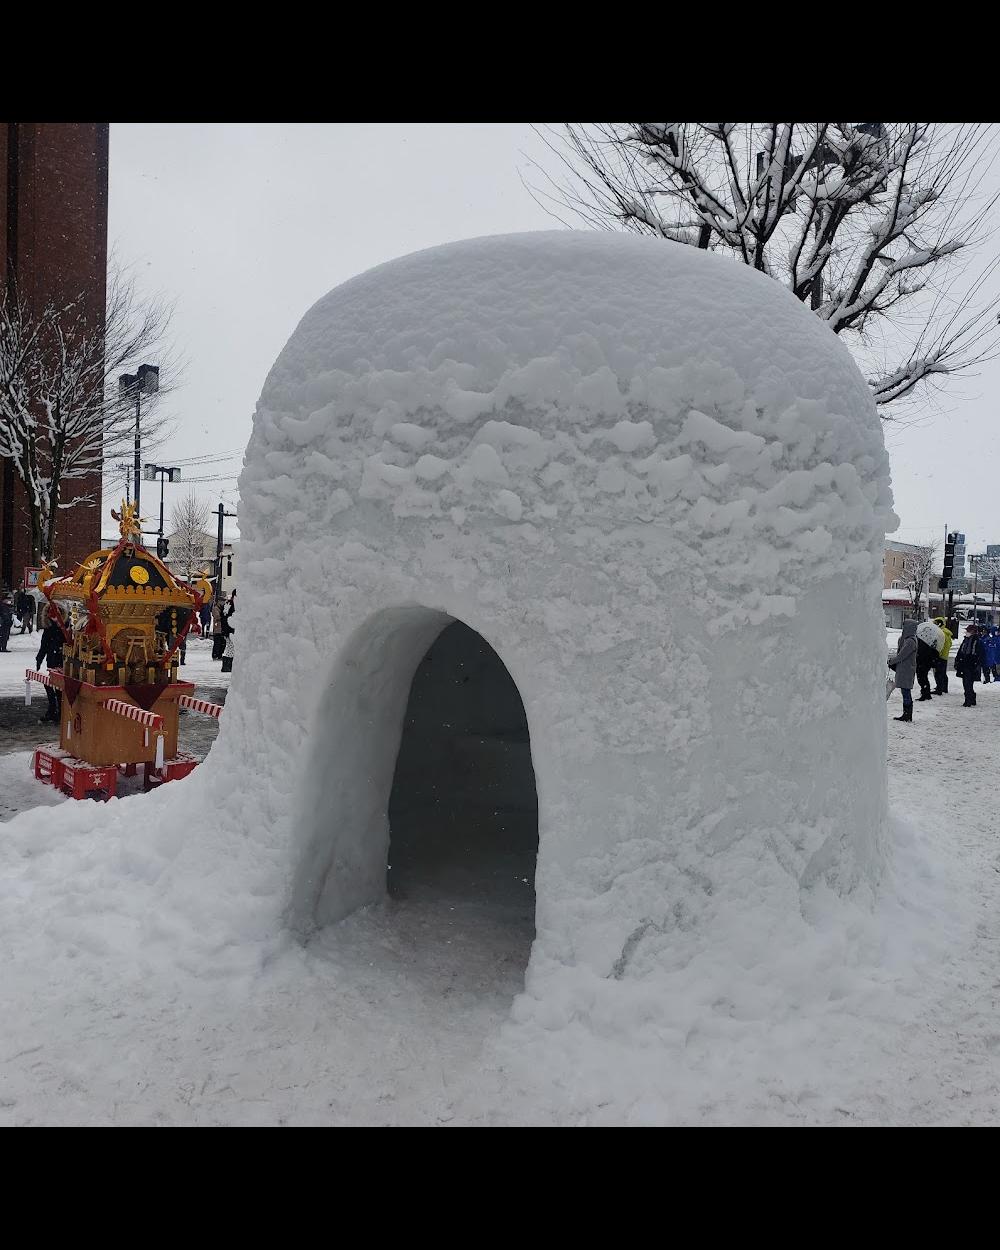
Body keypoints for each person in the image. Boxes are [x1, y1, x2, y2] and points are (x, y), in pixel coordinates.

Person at [35, 608, 66, 724]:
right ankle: (52, 709)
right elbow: (44, 646)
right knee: (49, 684)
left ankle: (60, 712)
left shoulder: (65, 627)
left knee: (59, 688)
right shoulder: (49, 628)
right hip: (52, 660)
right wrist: (39, 659)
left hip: (62, 660)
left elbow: (69, 642)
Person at [888, 619, 918, 722]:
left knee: (906, 691)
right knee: (904, 691)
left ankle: (907, 715)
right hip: (904, 669)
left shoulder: (910, 641)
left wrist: (891, 661)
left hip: (907, 670)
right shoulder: (906, 639)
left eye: (905, 626)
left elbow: (901, 655)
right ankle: (906, 714)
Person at [954, 623, 988, 708]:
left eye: (968, 631)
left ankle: (968, 700)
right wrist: (957, 661)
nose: (966, 632)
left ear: (973, 632)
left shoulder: (977, 641)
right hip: (964, 664)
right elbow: (960, 652)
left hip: (971, 665)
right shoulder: (966, 640)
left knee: (968, 683)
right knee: (966, 683)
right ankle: (971, 698)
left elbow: (980, 654)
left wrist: (976, 664)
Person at [915, 620, 942, 702]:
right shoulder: (929, 642)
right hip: (925, 663)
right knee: (923, 678)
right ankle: (926, 693)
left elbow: (922, 653)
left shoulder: (924, 642)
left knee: (922, 678)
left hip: (923, 663)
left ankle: (925, 693)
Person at [931, 616, 953, 695]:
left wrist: (937, 654)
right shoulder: (946, 633)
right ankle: (943, 688)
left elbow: (940, 645)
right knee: (942, 673)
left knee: (938, 673)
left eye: (936, 624)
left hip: (940, 656)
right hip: (944, 656)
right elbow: (949, 644)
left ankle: (939, 689)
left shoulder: (941, 633)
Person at [220, 591, 235, 672]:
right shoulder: (233, 605)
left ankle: (227, 666)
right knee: (231, 648)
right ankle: (228, 666)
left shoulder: (227, 604)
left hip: (226, 630)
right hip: (231, 630)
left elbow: (223, 617)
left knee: (229, 647)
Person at [211, 594, 227, 660]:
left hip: (222, 628)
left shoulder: (222, 608)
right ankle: (215, 655)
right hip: (217, 628)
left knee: (223, 643)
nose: (223, 602)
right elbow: (217, 617)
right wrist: (223, 617)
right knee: (217, 643)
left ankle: (220, 655)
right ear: (218, 601)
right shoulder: (216, 608)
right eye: (222, 601)